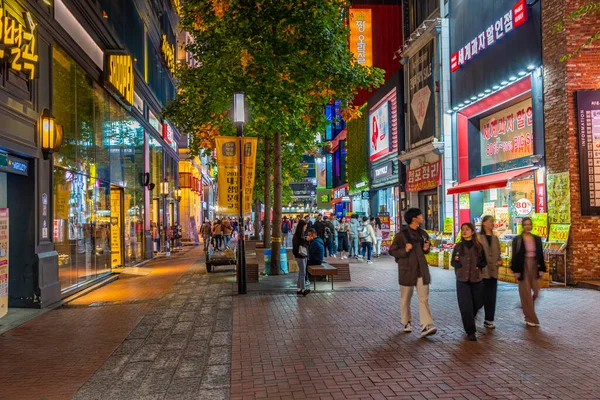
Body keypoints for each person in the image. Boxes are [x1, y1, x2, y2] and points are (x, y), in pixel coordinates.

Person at [388, 208, 437, 338]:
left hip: (421, 270)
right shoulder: (401, 235)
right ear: (414, 218)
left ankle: (426, 325)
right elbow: (392, 251)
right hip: (407, 270)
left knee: (424, 299)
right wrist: (405, 249)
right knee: (405, 299)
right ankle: (406, 322)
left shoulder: (423, 233)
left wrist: (426, 249)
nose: (423, 217)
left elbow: (425, 250)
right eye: (420, 215)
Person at [452, 223, 487, 341]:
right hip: (462, 280)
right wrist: (459, 268)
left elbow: (484, 261)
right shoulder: (458, 246)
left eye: (467, 229)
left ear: (472, 232)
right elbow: (453, 262)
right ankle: (470, 331)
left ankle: (469, 319)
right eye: (463, 229)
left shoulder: (479, 247)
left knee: (478, 302)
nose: (465, 231)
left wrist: (478, 266)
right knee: (465, 305)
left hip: (476, 279)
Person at [510, 217, 546, 327]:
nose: (527, 226)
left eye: (529, 224)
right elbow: (515, 255)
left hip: (534, 265)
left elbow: (540, 254)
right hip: (522, 266)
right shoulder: (518, 239)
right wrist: (516, 270)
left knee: (536, 291)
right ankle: (530, 317)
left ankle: (525, 306)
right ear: (522, 226)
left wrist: (542, 269)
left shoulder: (537, 239)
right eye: (525, 224)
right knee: (525, 293)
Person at [478, 215, 502, 329]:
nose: (492, 223)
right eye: (490, 221)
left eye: (493, 221)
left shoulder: (495, 238)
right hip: (482, 272)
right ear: (484, 223)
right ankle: (473, 313)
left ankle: (489, 319)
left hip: (493, 272)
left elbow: (499, 254)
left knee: (491, 297)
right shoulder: (478, 237)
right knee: (480, 297)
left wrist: (499, 261)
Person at [292, 219, 310, 296]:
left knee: (302, 272)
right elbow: (299, 246)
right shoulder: (298, 236)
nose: (305, 228)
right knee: (303, 273)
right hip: (300, 255)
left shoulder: (300, 235)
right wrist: (305, 241)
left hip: (302, 255)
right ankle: (303, 289)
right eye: (305, 227)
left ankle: (299, 288)